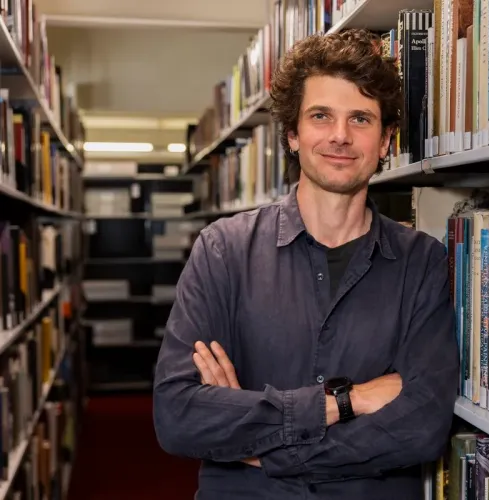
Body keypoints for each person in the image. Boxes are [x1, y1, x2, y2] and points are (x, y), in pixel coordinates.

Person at [152, 28, 459, 499]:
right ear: (293, 134)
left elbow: (422, 425)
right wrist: (347, 400)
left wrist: (260, 445)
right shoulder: (222, 250)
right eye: (321, 116)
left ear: (385, 141)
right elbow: (179, 416)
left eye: (361, 118)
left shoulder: (422, 261)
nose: (340, 135)